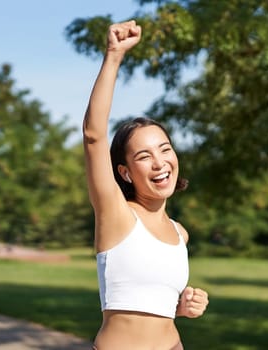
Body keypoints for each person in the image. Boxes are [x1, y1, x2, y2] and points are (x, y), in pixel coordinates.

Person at [83, 20, 209, 350]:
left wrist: (182, 308)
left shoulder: (180, 233)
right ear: (124, 172)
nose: (159, 162)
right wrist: (113, 56)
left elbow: (151, 304)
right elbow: (94, 137)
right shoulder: (116, 214)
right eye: (144, 156)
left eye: (165, 149)